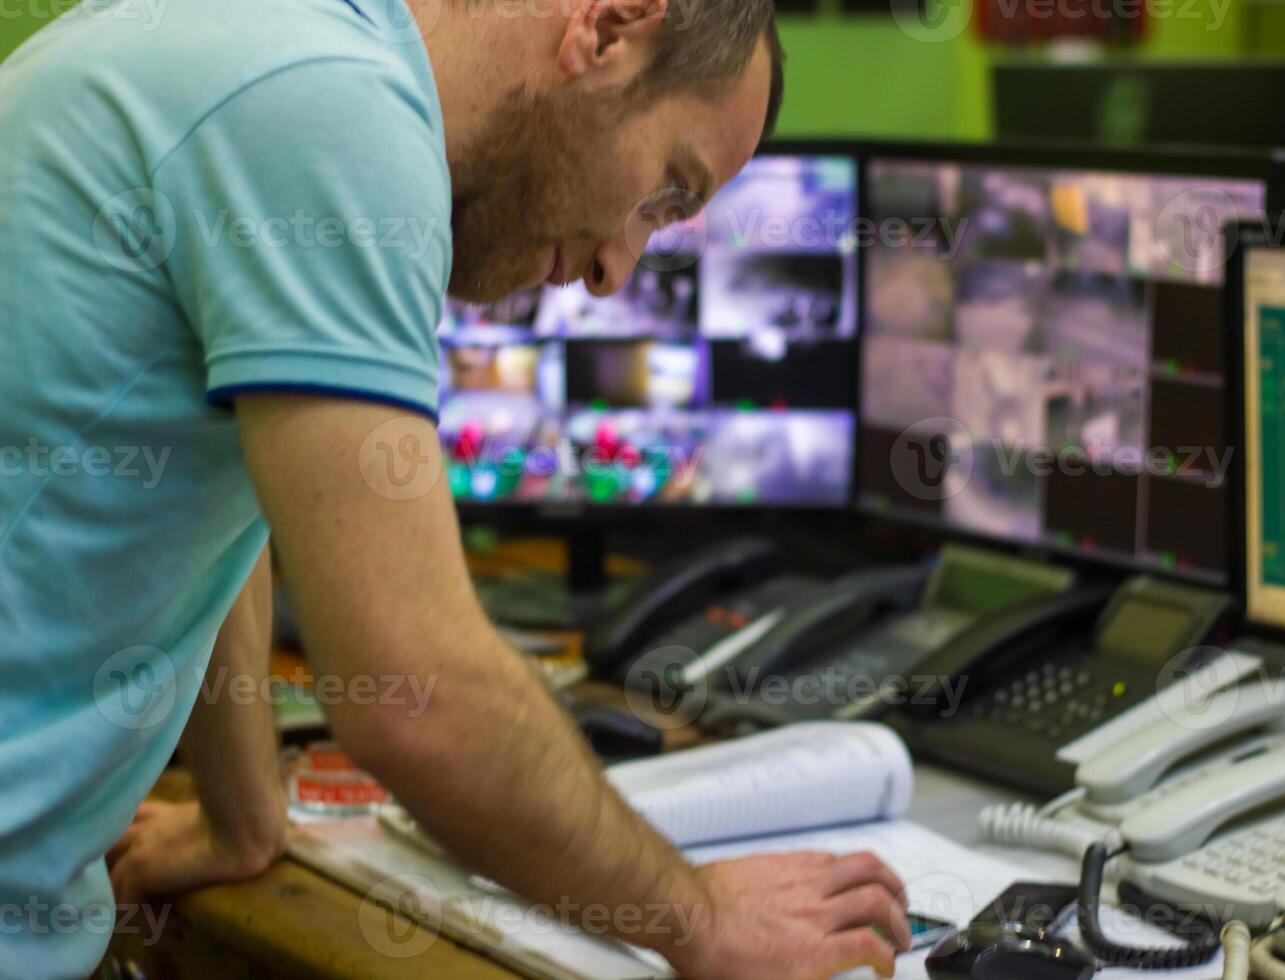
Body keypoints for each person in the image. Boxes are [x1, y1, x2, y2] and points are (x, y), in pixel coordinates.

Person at [0, 0, 912, 976]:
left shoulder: (274, 43)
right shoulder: (335, 110)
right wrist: (699, 917)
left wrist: (242, 812)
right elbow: (416, 690)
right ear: (606, 30)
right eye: (663, 195)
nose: (615, 268)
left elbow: (226, 486)